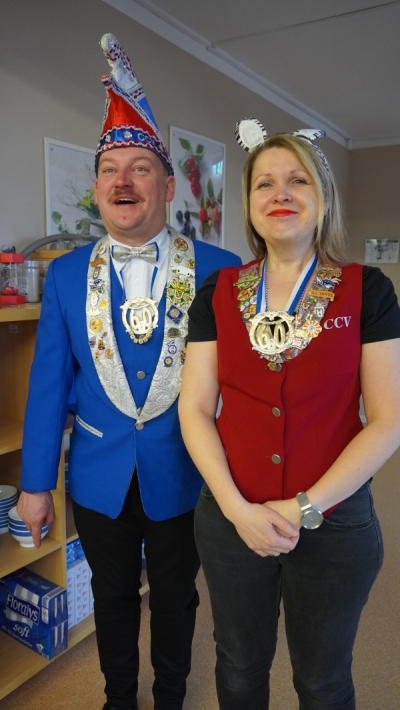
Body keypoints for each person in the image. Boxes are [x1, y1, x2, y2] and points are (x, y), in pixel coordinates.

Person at [17, 34, 241, 710]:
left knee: (175, 596)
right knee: (111, 596)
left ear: (167, 186)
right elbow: (48, 386)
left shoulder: (220, 270)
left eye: (140, 168)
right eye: (110, 169)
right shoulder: (64, 277)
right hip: (97, 474)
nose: (123, 181)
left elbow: (242, 384)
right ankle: (119, 698)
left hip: (184, 471)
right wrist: (35, 485)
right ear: (96, 189)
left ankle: (169, 696)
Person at [178, 117, 400, 710]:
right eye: (265, 183)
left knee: (323, 680)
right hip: (232, 517)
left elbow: (388, 419)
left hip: (334, 521)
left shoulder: (368, 290)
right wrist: (236, 510)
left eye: (298, 180)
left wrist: (305, 507)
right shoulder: (217, 292)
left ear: (322, 199)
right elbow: (195, 408)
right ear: (249, 204)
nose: (281, 194)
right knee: (238, 667)